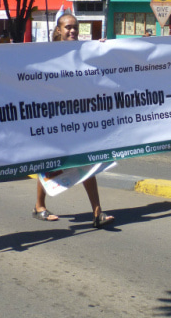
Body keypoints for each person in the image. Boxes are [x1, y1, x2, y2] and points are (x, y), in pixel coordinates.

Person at [32, 13, 114, 228]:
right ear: (58, 30)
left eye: (75, 27)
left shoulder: (84, 50)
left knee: (87, 161)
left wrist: (102, 49)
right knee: (50, 164)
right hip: (55, 117)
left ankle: (97, 212)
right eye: (68, 27)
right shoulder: (46, 54)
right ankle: (39, 205)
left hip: (78, 117)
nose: (72, 31)